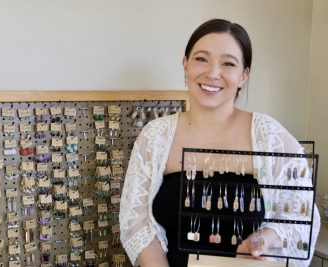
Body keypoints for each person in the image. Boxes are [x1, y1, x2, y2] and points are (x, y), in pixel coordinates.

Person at [119, 18, 321, 267]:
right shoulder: (155, 137)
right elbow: (136, 222)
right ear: (185, 64)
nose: (213, 73)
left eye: (228, 63)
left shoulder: (272, 138)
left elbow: (301, 218)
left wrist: (265, 239)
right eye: (201, 59)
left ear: (244, 75)